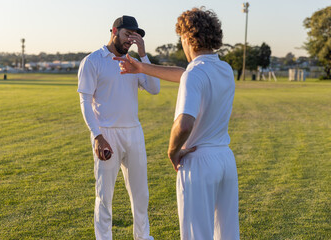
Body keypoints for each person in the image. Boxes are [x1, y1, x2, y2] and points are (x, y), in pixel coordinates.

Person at [114, 7, 239, 240]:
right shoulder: (225, 69)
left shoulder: (196, 73)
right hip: (225, 160)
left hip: (198, 161)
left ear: (187, 37)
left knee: (196, 235)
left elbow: (184, 124)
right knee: (227, 234)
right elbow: (183, 74)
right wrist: (141, 67)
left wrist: (173, 152)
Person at [77, 15, 160, 240]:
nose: (130, 41)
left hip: (134, 132)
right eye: (127, 35)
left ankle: (143, 237)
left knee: (141, 194)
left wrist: (143, 55)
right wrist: (97, 136)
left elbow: (154, 88)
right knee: (105, 196)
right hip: (106, 133)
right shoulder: (92, 61)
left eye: (134, 37)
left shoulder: (134, 63)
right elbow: (85, 101)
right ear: (114, 30)